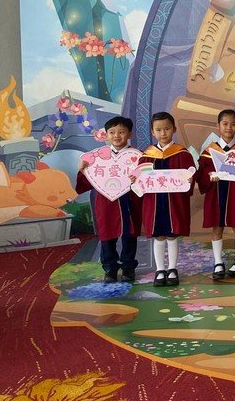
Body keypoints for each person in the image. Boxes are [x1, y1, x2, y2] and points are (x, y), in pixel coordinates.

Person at [76, 116, 142, 283]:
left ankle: (128, 267)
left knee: (129, 234)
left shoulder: (138, 156)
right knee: (107, 234)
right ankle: (110, 268)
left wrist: (138, 177)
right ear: (106, 135)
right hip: (106, 200)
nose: (116, 136)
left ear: (129, 134)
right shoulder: (97, 157)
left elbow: (146, 179)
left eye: (121, 132)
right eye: (112, 132)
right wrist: (83, 170)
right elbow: (88, 181)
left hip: (129, 200)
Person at [138, 112, 195, 287]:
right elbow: (140, 180)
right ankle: (160, 269)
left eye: (167, 129)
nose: (163, 133)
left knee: (172, 235)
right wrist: (136, 179)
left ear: (174, 129)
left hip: (174, 202)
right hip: (154, 202)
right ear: (152, 131)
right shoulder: (147, 155)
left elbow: (190, 176)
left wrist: (190, 179)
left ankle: (172, 269)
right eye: (158, 130)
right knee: (159, 235)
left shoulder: (182, 154)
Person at [197, 109, 235, 281]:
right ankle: (218, 262)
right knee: (217, 228)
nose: (229, 127)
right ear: (218, 125)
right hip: (216, 193)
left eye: (233, 124)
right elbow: (202, 172)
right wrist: (209, 175)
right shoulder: (209, 151)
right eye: (225, 124)